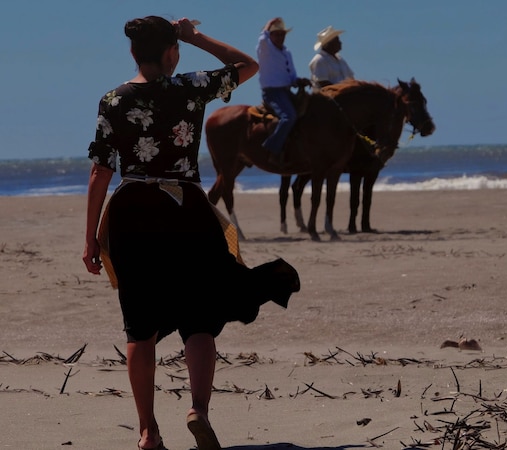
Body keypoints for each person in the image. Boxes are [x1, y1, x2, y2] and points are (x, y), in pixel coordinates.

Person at [82, 16, 300, 450]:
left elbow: (101, 171)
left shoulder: (112, 100)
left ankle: (148, 432)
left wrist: (90, 237)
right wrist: (195, 36)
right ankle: (197, 408)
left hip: (132, 211)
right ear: (171, 52)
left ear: (132, 53)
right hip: (186, 207)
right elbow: (245, 65)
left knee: (139, 327)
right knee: (199, 319)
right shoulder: (191, 87)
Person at [257, 17, 309, 164]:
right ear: (270, 35)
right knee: (289, 117)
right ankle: (272, 149)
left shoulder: (287, 52)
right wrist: (269, 23)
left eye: (282, 34)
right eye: (277, 34)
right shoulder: (265, 49)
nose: (280, 37)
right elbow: (262, 38)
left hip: (285, 91)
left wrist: (298, 81)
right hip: (272, 92)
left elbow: (291, 75)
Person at [308, 25, 355, 92]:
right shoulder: (319, 60)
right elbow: (323, 84)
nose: (340, 43)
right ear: (328, 44)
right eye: (337, 40)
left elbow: (351, 79)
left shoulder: (340, 60)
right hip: (328, 99)